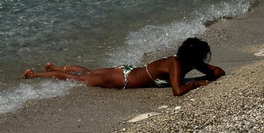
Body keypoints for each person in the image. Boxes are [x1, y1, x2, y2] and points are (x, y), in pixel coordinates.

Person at [23, 37, 224, 97]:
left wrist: (210, 73)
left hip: (126, 71)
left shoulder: (184, 61)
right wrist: (198, 83)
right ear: (195, 55)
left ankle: (54, 68)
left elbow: (217, 72)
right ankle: (35, 75)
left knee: (88, 72)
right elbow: (178, 91)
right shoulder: (176, 64)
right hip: (123, 80)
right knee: (81, 79)